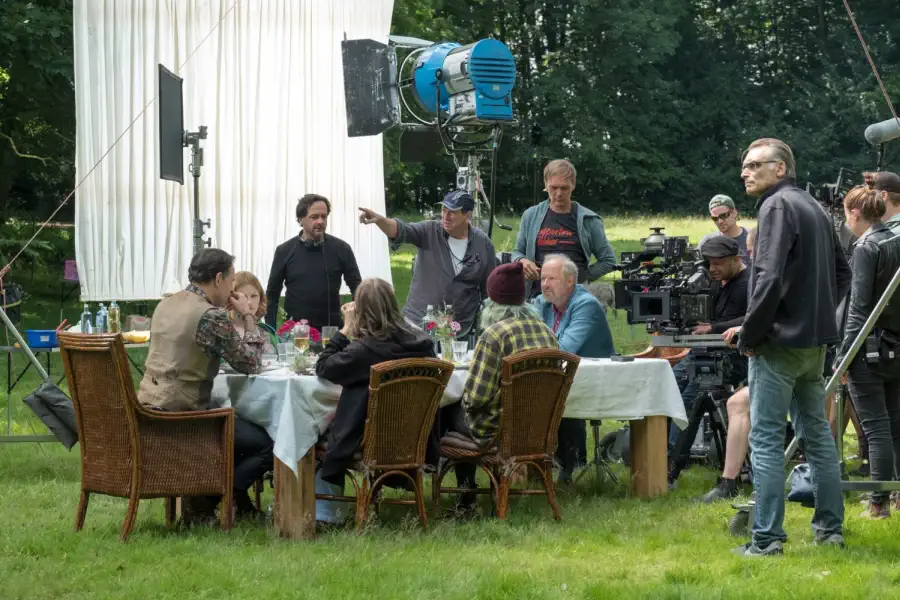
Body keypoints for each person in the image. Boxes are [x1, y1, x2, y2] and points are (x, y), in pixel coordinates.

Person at [734, 137, 851, 556]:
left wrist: (750, 335)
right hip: (813, 344)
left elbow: (765, 278)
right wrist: (817, 317)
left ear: (780, 168)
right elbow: (843, 274)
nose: (745, 172)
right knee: (818, 437)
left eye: (754, 165)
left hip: (779, 345)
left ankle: (765, 540)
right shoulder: (815, 206)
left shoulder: (776, 206)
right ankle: (830, 531)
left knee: (765, 439)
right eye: (744, 166)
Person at [138, 249, 274, 522]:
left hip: (149, 405)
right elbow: (251, 363)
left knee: (241, 427)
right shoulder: (210, 316)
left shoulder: (166, 303)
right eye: (232, 280)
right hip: (186, 414)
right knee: (269, 442)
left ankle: (208, 499)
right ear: (219, 278)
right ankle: (213, 499)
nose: (233, 287)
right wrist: (247, 315)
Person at [313, 278, 436, 528]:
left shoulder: (365, 351)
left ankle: (325, 515)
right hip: (413, 436)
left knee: (312, 433)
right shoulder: (423, 345)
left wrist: (345, 330)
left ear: (362, 311)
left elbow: (324, 366)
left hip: (369, 437)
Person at [442, 262, 558, 509]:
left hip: (498, 429)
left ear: (492, 303)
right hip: (538, 427)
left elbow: (476, 398)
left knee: (447, 410)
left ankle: (466, 491)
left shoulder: (494, 334)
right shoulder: (547, 333)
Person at [836, 185, 900, 518]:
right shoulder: (895, 239)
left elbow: (857, 308)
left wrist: (843, 356)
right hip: (895, 343)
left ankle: (878, 503)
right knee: (895, 426)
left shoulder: (865, 246)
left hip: (868, 348)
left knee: (876, 428)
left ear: (855, 213)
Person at [358, 190, 497, 340]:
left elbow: (489, 288)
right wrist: (380, 220)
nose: (446, 216)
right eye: (444, 210)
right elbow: (401, 230)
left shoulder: (483, 243)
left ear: (468, 215)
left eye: (452, 212)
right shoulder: (429, 231)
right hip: (418, 326)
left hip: (459, 331)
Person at [667, 236, 749, 485]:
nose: (713, 268)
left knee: (691, 399)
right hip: (702, 351)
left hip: (734, 357)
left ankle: (671, 465)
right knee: (667, 386)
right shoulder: (713, 281)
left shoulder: (749, 282)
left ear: (736, 260)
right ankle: (655, 453)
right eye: (709, 263)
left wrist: (713, 327)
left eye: (719, 263)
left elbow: (753, 317)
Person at [532, 254, 614, 482]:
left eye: (552, 279)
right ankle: (537, 462)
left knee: (552, 392)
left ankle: (568, 462)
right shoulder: (542, 303)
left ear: (570, 281)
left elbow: (564, 349)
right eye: (543, 279)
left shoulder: (586, 305)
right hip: (559, 374)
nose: (545, 285)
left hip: (595, 380)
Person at [513, 159, 616, 299]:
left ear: (573, 185)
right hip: (537, 299)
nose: (559, 193)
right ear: (546, 185)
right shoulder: (531, 216)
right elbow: (517, 252)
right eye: (554, 188)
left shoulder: (589, 220)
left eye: (564, 188)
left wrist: (582, 277)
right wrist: (522, 261)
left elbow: (608, 260)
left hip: (575, 299)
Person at [265, 194, 362, 332]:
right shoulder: (284, 251)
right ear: (301, 219)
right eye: (314, 217)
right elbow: (272, 294)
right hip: (296, 332)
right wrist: (270, 331)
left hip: (332, 330)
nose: (320, 221)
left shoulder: (341, 249)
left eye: (324, 216)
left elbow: (357, 287)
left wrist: (358, 322)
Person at [232, 271, 278, 354]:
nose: (249, 302)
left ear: (260, 298)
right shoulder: (225, 330)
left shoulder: (267, 331)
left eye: (254, 296)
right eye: (243, 297)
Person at [698, 195, 752, 266]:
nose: (720, 221)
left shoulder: (752, 238)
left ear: (734, 213)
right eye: (715, 218)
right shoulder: (707, 242)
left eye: (723, 216)